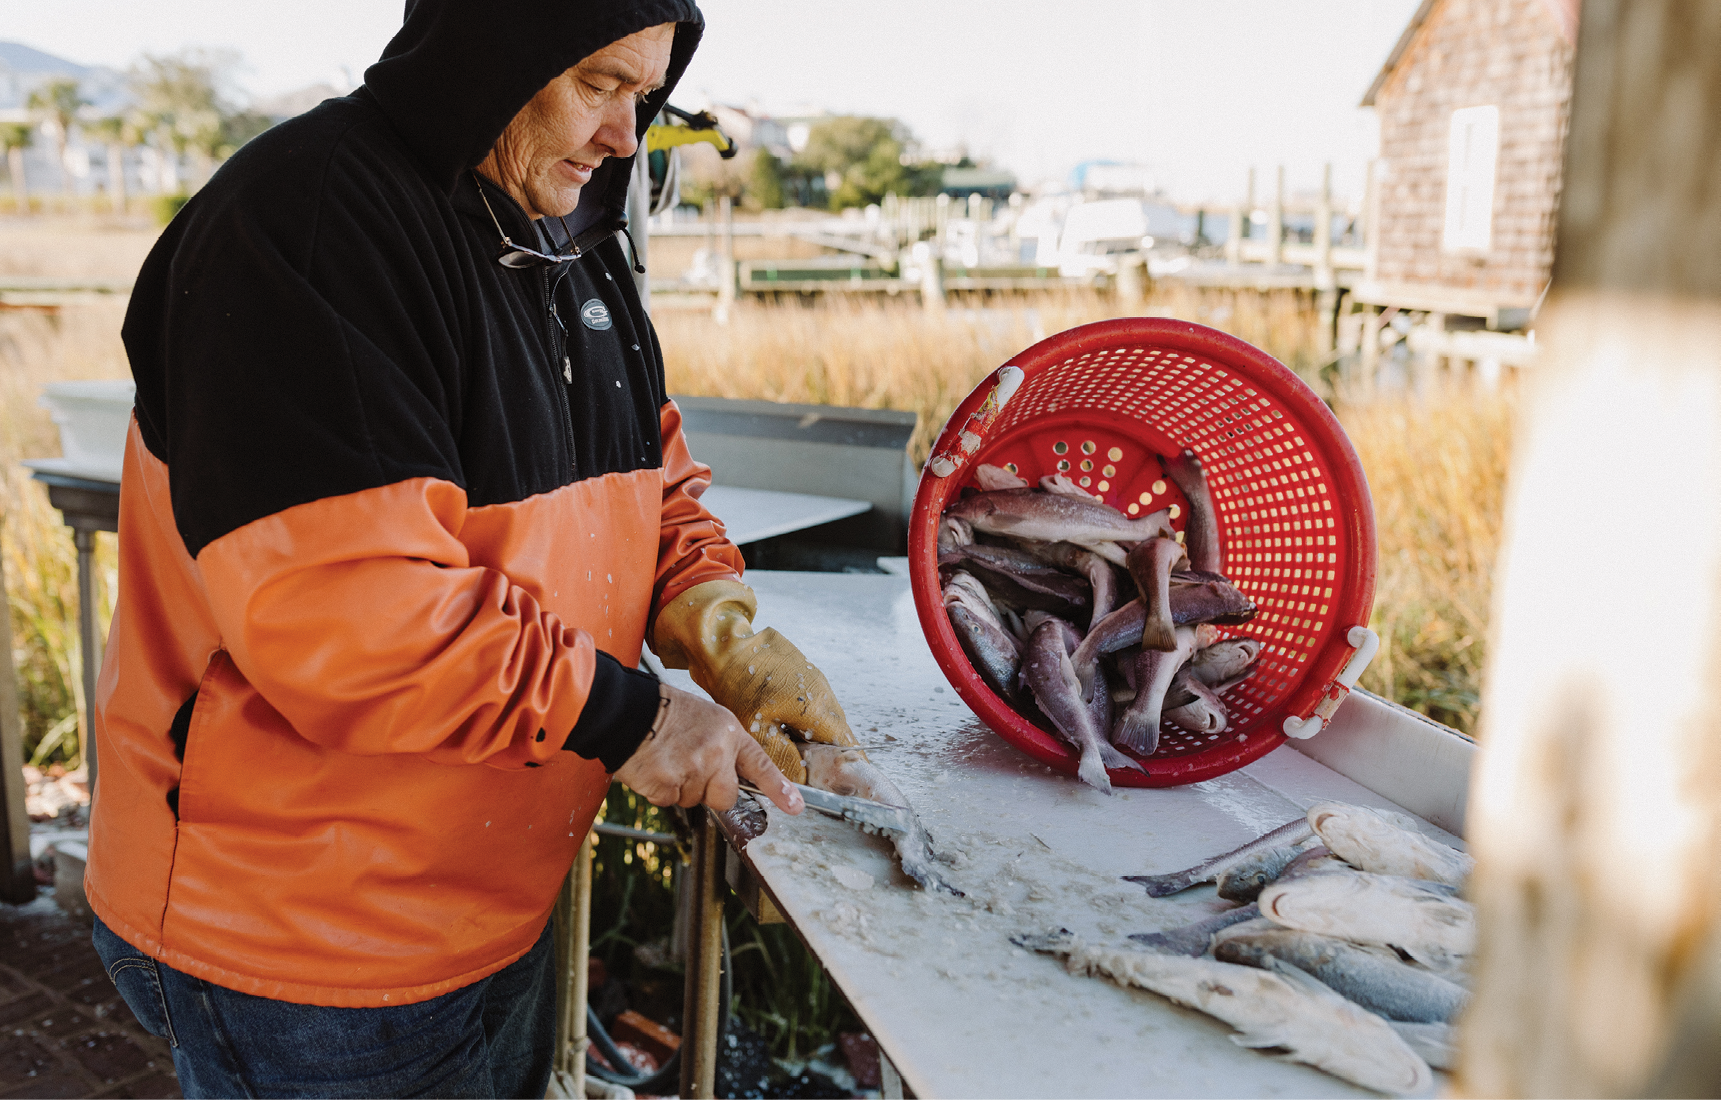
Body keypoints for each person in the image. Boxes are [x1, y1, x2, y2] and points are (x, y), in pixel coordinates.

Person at [84, 2, 857, 1096]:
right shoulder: (308, 228)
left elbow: (646, 462)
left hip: (491, 893)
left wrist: (716, 619)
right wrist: (634, 717)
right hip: (307, 937)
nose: (627, 138)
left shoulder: (566, 223)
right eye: (598, 84)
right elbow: (356, 614)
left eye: (646, 94)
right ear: (497, 48)